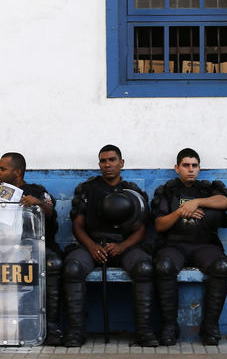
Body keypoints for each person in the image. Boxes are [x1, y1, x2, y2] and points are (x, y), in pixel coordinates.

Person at [62, 145, 158, 347]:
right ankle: (76, 332)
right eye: (103, 161)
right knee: (72, 268)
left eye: (112, 160)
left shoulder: (132, 191)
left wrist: (122, 246)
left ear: (121, 163)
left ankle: (144, 332)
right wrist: (91, 246)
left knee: (144, 268)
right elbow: (77, 226)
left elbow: (141, 229)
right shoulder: (87, 190)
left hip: (125, 246)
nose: (107, 165)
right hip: (93, 246)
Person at [151, 148, 227, 346]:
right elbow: (159, 225)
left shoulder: (207, 189)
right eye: (186, 165)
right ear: (177, 168)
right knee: (163, 266)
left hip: (203, 244)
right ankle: (169, 327)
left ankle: (210, 327)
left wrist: (196, 202)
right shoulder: (167, 191)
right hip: (174, 245)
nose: (190, 169)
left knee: (222, 266)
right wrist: (181, 211)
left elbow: (225, 202)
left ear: (199, 168)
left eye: (194, 165)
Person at [0, 152, 64, 346]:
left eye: (2, 169)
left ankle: (51, 327)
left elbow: (51, 214)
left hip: (33, 248)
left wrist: (38, 203)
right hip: (0, 247)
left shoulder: (37, 191)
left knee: (53, 264)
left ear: (17, 171)